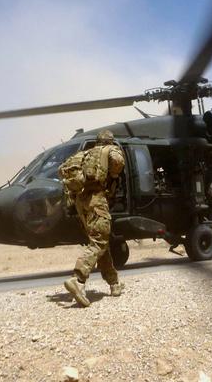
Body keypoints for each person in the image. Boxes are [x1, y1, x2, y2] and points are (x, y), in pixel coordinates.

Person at [60, 130, 126, 307]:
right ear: (110, 141)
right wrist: (113, 173)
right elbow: (118, 163)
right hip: (96, 198)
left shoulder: (83, 154)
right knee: (99, 242)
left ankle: (114, 283)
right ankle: (78, 279)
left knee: (100, 242)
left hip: (80, 202)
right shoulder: (108, 151)